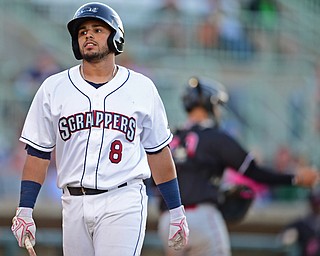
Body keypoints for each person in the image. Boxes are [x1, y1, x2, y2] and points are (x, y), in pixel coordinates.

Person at [10, 3, 189, 256]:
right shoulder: (53, 87)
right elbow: (38, 153)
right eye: (82, 32)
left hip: (123, 198)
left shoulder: (141, 87)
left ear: (116, 37)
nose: (88, 35)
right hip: (73, 201)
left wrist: (176, 209)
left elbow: (158, 152)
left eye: (97, 29)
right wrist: (25, 208)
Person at [157, 76, 319, 256]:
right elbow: (255, 172)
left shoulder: (170, 139)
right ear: (210, 104)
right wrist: (295, 178)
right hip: (202, 218)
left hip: (169, 221)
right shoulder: (215, 137)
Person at [281, 186, 320, 256]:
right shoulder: (301, 223)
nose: (317, 206)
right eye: (315, 203)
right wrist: (289, 237)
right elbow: (287, 238)